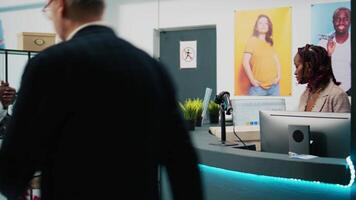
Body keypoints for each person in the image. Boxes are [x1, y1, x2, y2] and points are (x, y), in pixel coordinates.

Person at [0, 0, 203, 200]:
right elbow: (183, 165)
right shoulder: (151, 67)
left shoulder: (47, 66)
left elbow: (11, 173)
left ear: (60, 6)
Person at [294, 44, 350, 113]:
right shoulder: (305, 95)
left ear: (309, 66)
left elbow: (345, 124)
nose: (295, 72)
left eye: (297, 66)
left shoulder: (338, 95)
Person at [242, 14, 281, 96]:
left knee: (275, 109)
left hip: (274, 87)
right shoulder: (252, 41)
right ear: (256, 27)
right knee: (253, 109)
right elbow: (245, 62)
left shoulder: (270, 43)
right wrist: (253, 81)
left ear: (269, 26)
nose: (263, 25)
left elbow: (276, 61)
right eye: (260, 23)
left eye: (266, 23)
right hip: (258, 88)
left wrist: (278, 77)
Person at [318, 7, 351, 94]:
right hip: (328, 92)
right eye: (338, 19)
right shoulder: (323, 42)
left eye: (345, 19)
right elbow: (318, 70)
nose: (341, 22)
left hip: (350, 91)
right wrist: (329, 54)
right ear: (333, 21)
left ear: (350, 21)